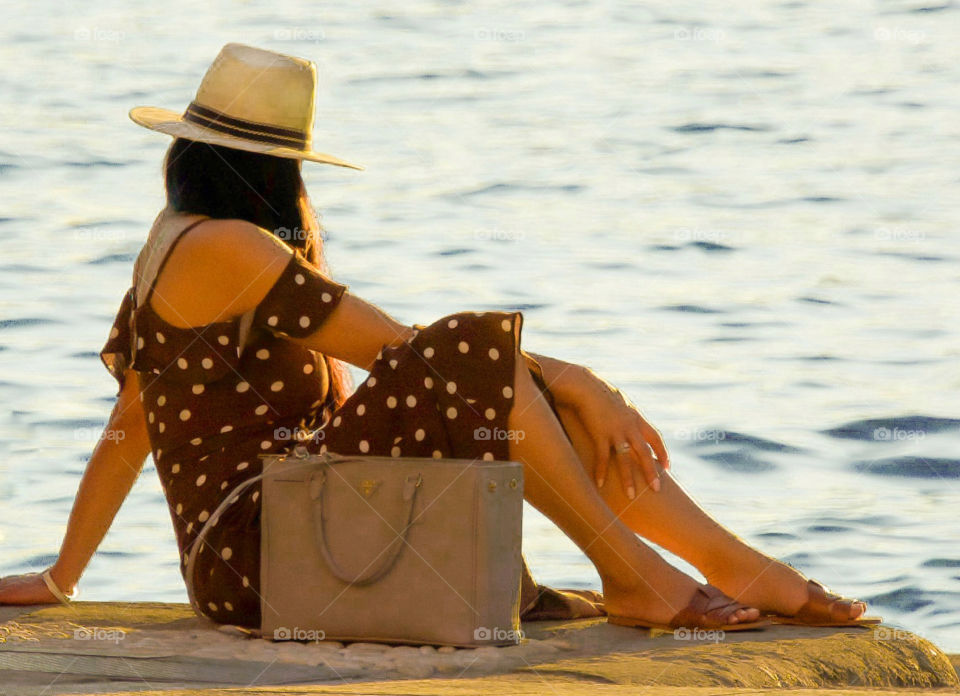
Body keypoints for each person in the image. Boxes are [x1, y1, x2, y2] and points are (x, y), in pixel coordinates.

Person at [0, 44, 877, 631]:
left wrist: (61, 575)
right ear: (281, 168)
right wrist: (581, 377)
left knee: (509, 388)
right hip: (264, 558)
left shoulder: (176, 238)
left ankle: (725, 567)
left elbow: (132, 427)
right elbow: (402, 348)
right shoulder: (226, 247)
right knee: (474, 353)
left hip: (265, 551)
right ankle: (645, 576)